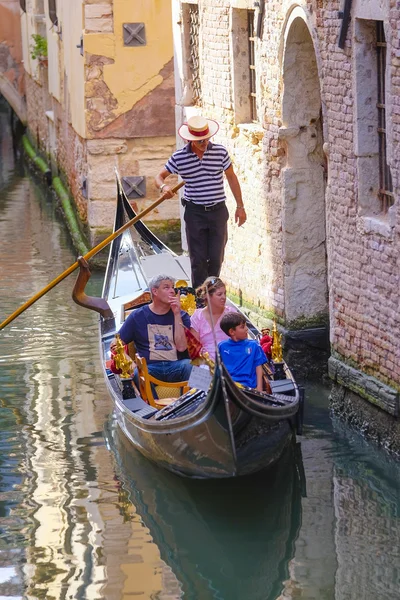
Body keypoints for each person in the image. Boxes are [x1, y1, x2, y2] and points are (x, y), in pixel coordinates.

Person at [155, 115, 247, 289]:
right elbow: (159, 177)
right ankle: (199, 299)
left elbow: (232, 178)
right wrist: (164, 188)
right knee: (198, 259)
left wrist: (240, 206)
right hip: (194, 212)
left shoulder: (220, 152)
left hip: (218, 211)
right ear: (190, 140)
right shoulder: (180, 157)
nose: (204, 143)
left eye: (206, 139)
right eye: (200, 141)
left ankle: (211, 294)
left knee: (215, 257)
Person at [117, 274, 193, 387]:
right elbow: (116, 344)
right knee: (139, 373)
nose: (172, 291)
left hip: (177, 366)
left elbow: (182, 347)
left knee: (191, 366)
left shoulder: (182, 316)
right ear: (155, 291)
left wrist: (177, 313)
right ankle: (152, 404)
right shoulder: (137, 316)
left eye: (173, 287)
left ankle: (189, 402)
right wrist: (130, 363)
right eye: (166, 287)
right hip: (150, 368)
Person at [190, 276, 236, 361]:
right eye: (219, 294)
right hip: (205, 361)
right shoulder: (197, 316)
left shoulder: (231, 314)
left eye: (225, 293)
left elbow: (241, 340)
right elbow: (194, 347)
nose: (224, 297)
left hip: (230, 359)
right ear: (208, 296)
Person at [218, 313, 266, 392]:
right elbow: (219, 368)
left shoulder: (254, 345)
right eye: (242, 327)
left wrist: (259, 389)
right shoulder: (222, 346)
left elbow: (258, 368)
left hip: (249, 388)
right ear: (232, 332)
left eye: (246, 325)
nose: (247, 329)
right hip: (229, 387)